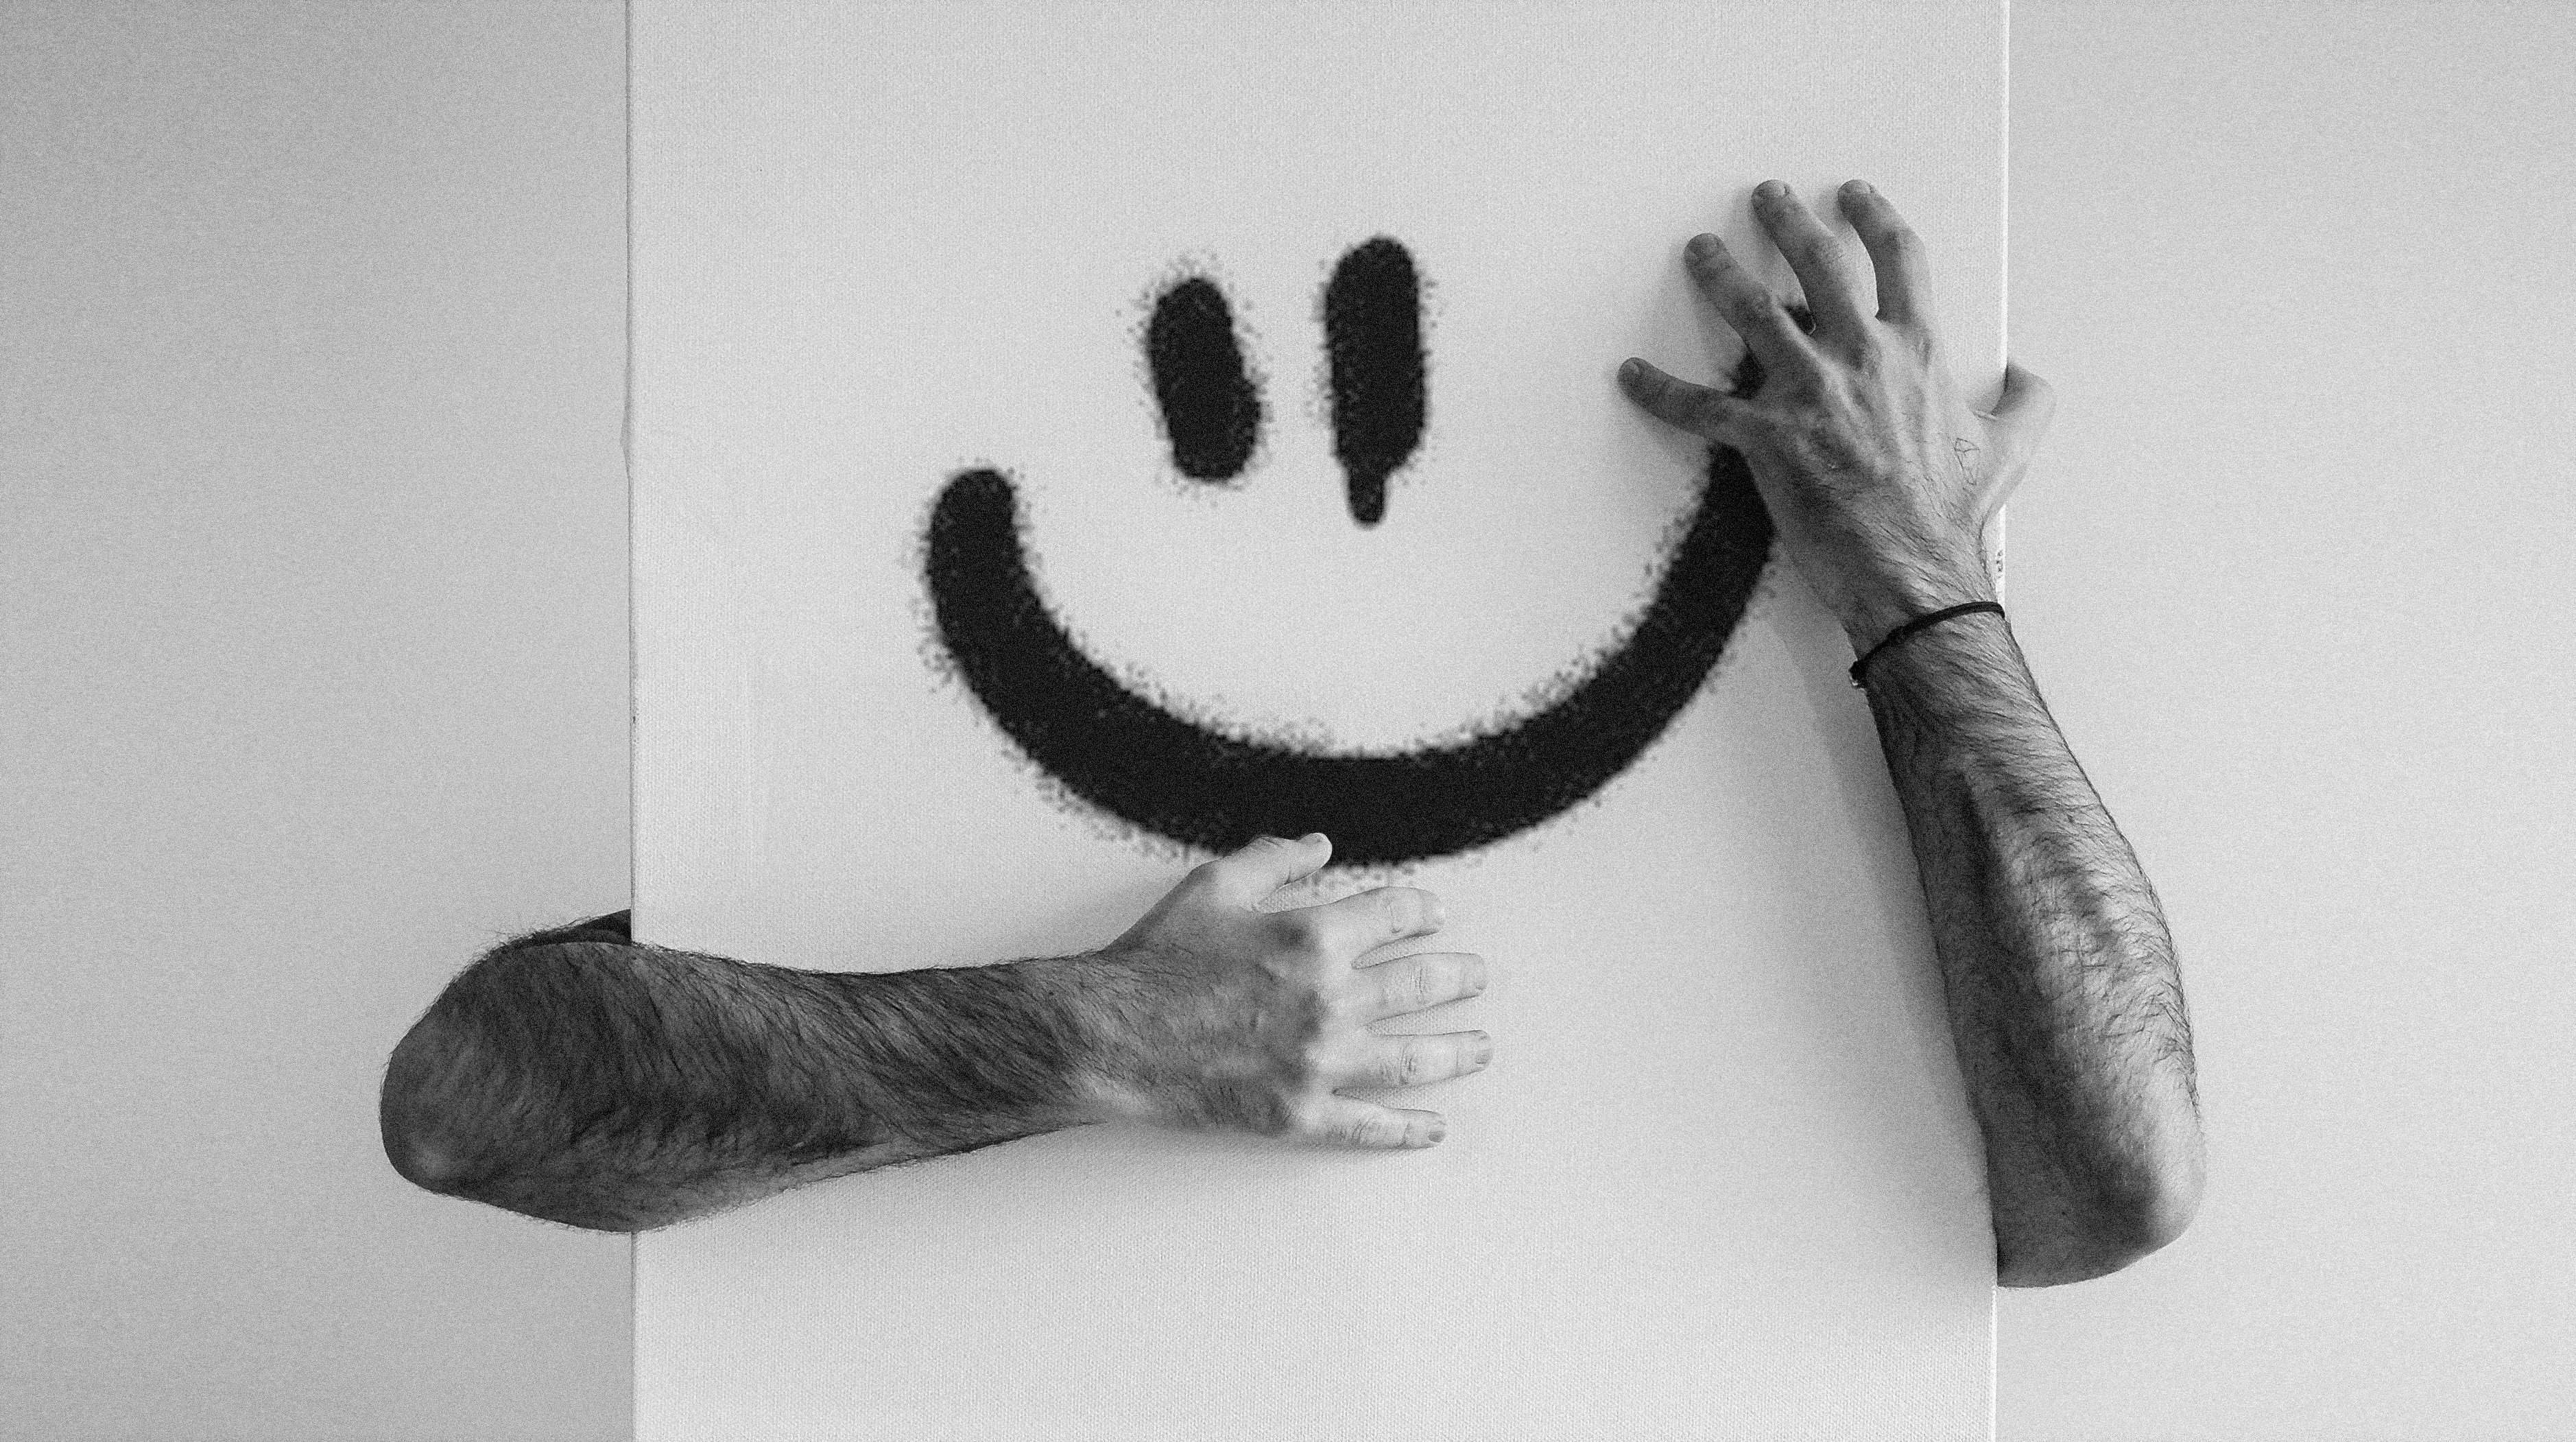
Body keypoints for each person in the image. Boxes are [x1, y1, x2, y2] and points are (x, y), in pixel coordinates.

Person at [381, 180, 2202, 1288]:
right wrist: (1099, 1032)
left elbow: (2111, 1187)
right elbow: (473, 1101)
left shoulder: (1794, 759)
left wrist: (1907, 576)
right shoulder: (863, 733)